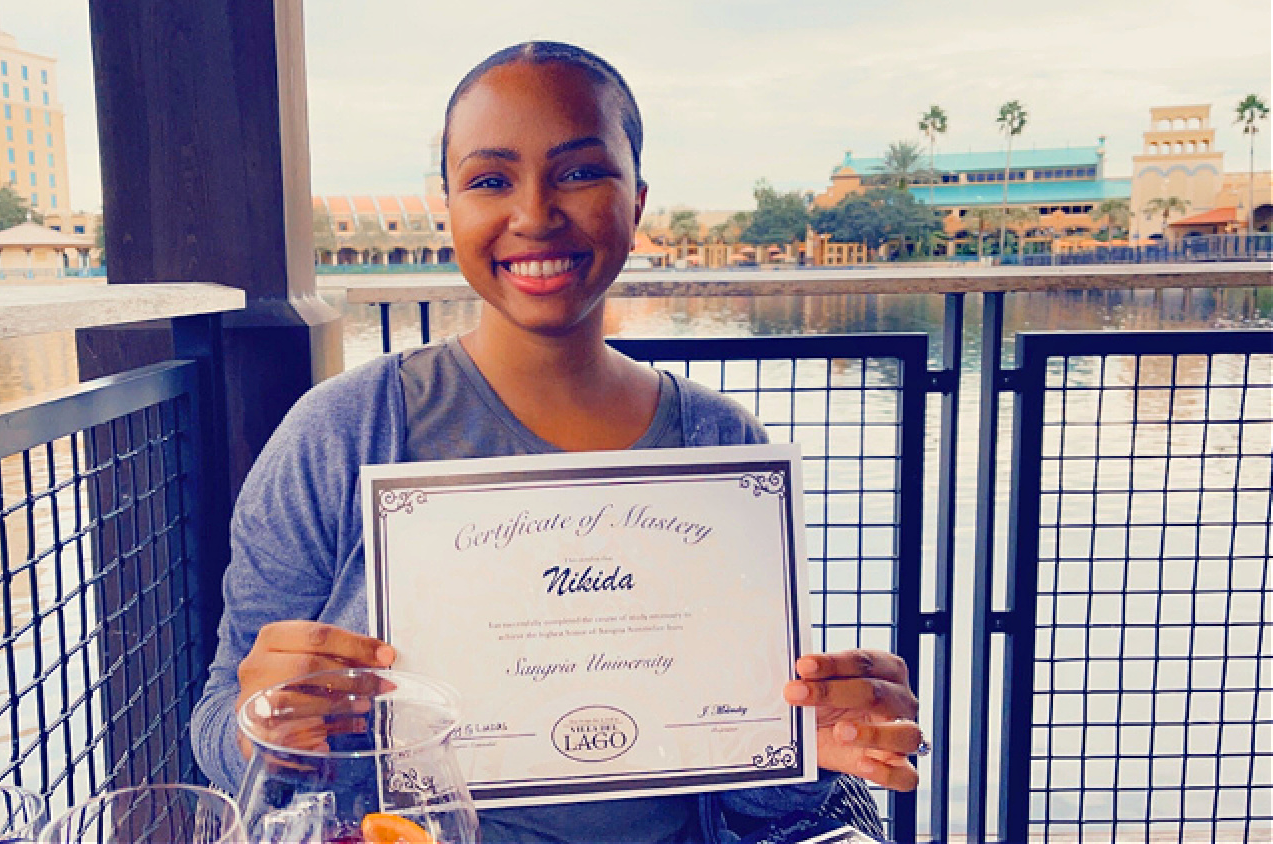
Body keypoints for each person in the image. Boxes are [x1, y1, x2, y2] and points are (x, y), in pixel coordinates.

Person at [191, 41, 921, 843]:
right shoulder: (342, 433)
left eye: (578, 172)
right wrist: (263, 727)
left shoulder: (720, 446)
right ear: (449, 207)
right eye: (490, 179)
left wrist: (807, 746)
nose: (534, 213)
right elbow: (223, 734)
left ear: (637, 202)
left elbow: (752, 803)